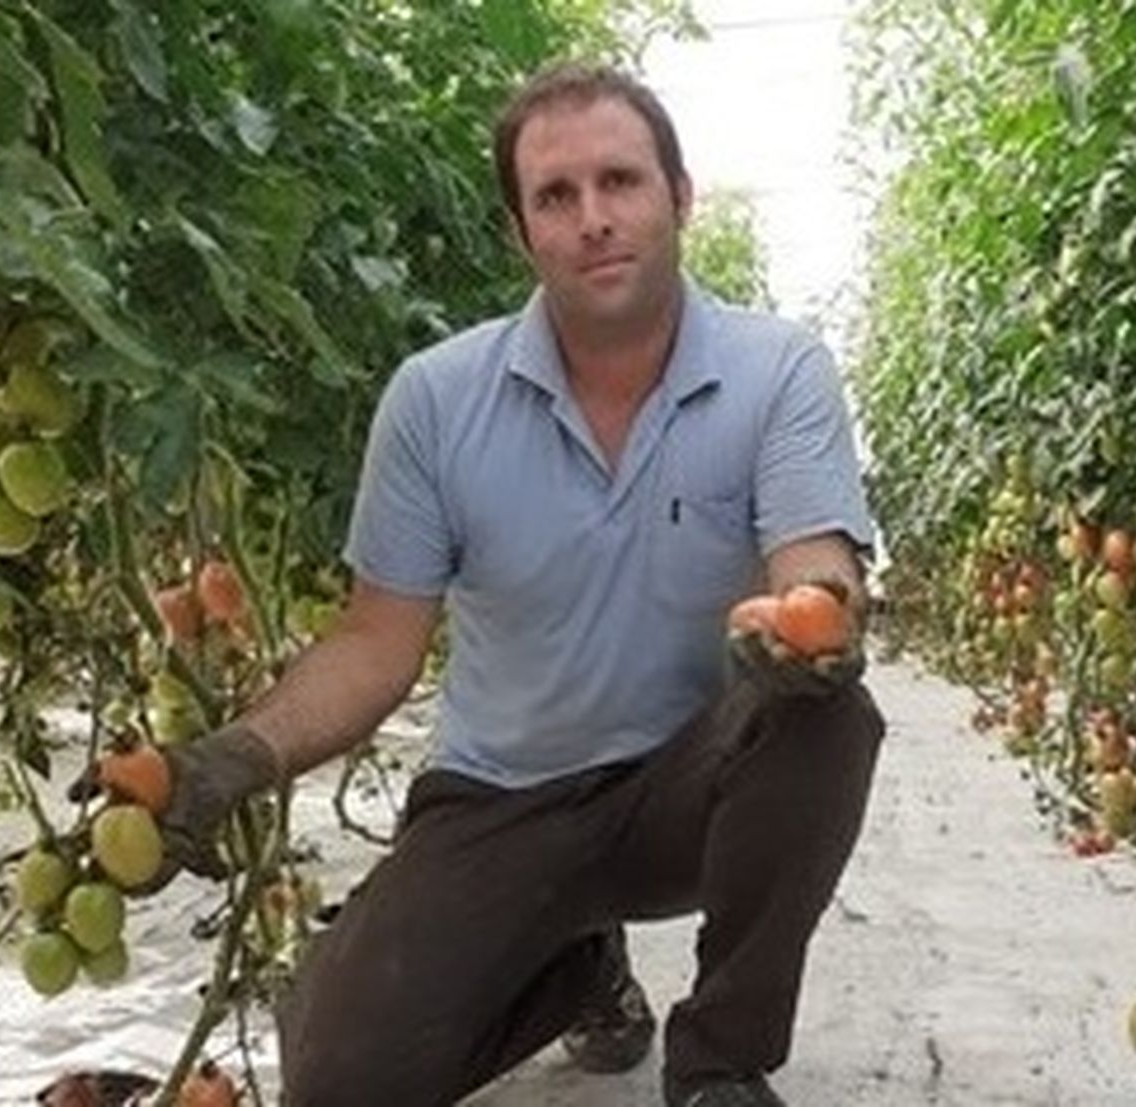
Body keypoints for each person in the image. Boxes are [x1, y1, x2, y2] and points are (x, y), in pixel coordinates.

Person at [150, 63, 884, 1107]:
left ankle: (719, 1064)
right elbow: (374, 642)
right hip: (501, 803)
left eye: (621, 181)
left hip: (688, 790)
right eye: (556, 195)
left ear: (679, 197)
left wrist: (821, 623)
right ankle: (581, 969)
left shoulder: (778, 373)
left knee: (826, 719)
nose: (594, 218)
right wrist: (232, 758)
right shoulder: (438, 401)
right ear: (519, 232)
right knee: (341, 1080)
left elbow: (812, 558)